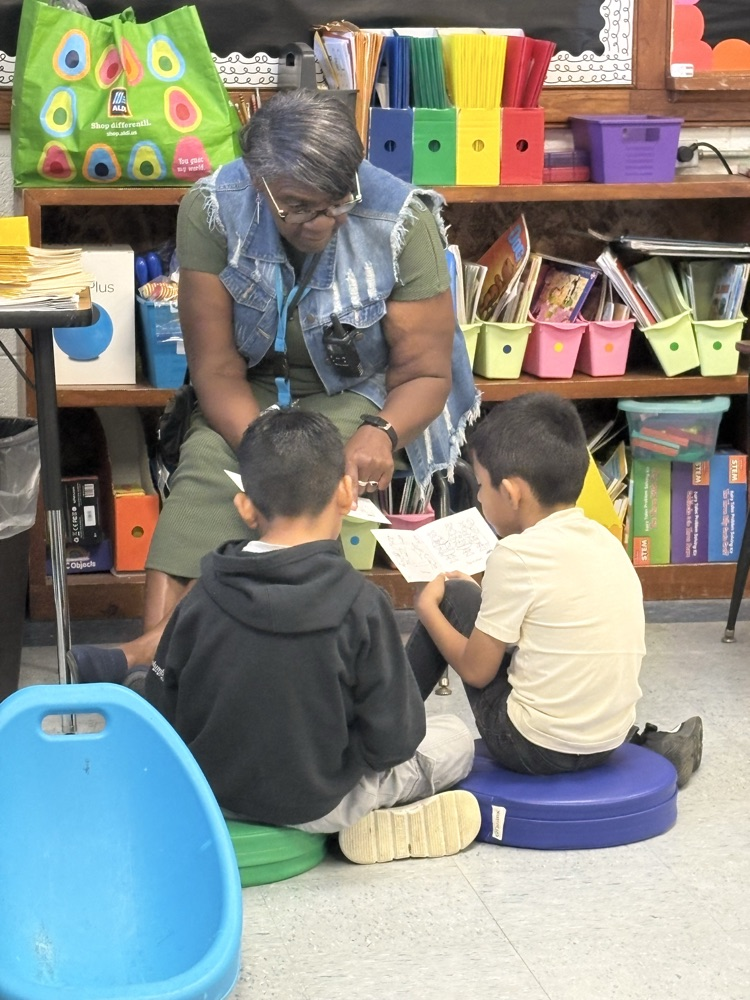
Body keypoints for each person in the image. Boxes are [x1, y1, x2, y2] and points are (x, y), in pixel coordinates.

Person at [67, 87, 479, 682]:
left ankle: (149, 661)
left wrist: (384, 432)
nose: (324, 221)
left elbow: (426, 374)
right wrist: (262, 439)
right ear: (258, 183)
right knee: (205, 465)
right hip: (248, 389)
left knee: (301, 479)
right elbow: (215, 369)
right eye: (299, 206)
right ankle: (164, 682)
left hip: (356, 396)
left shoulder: (401, 222)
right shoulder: (212, 209)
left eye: (340, 202)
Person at [93, 409, 481, 865]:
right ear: (346, 493)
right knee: (454, 737)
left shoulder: (202, 595)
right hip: (320, 803)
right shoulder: (363, 604)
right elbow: (394, 741)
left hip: (217, 796)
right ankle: (369, 819)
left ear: (244, 506)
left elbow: (167, 706)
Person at [409, 393, 703, 789]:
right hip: (608, 741)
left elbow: (477, 672)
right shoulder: (605, 540)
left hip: (532, 748)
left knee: (452, 598)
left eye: (480, 486)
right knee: (469, 597)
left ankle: (379, 737)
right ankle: (654, 744)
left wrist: (427, 608)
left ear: (512, 493)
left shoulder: (513, 554)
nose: (478, 497)